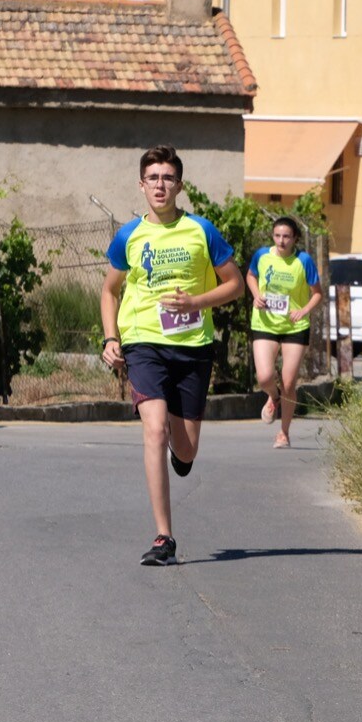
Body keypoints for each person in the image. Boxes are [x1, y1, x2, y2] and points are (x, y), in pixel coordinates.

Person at [99, 145, 242, 566]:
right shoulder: (128, 235)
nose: (160, 185)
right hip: (143, 343)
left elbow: (234, 284)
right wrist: (111, 339)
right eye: (153, 178)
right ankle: (164, 537)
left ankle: (182, 458)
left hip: (193, 346)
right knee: (155, 431)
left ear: (179, 185)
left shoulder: (202, 231)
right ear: (141, 185)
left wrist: (197, 301)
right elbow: (109, 290)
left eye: (167, 178)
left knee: (187, 449)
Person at [248, 216, 323, 449]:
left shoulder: (304, 261)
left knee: (289, 381)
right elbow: (251, 276)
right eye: (278, 236)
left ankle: (284, 432)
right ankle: (274, 396)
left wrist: (304, 310)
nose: (281, 241)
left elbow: (317, 293)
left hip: (294, 326)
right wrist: (255, 295)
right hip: (265, 323)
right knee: (265, 377)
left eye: (286, 237)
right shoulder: (262, 255)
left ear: (295, 239)